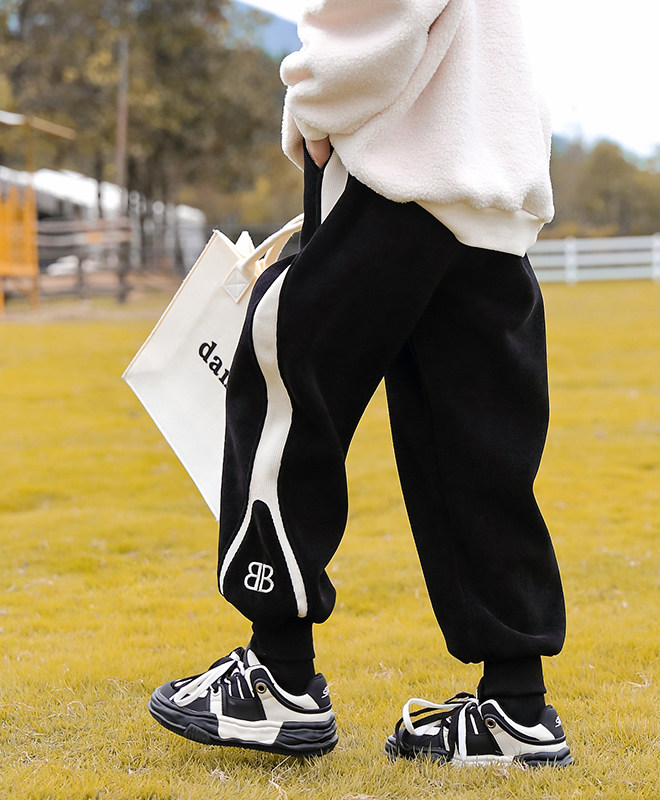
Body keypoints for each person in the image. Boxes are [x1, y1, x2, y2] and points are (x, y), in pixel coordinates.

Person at [148, 0, 571, 768]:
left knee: (284, 380)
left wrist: (317, 105)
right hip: (491, 183)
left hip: (399, 164)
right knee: (475, 448)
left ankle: (277, 674)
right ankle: (515, 707)